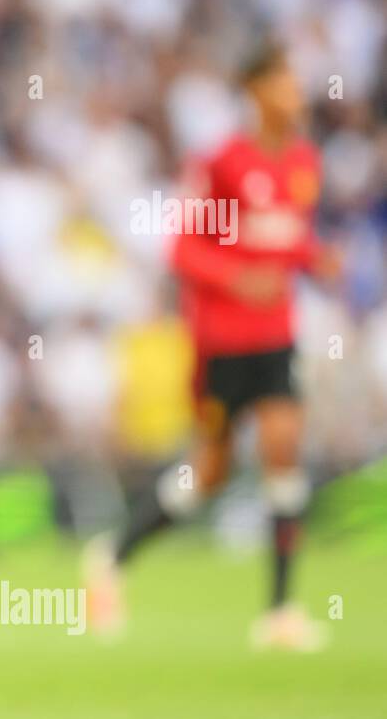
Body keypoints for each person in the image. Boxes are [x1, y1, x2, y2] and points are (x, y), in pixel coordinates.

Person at [86, 43, 339, 651]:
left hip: (276, 336)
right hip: (222, 342)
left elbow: (287, 237)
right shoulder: (224, 162)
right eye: (284, 82)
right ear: (255, 90)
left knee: (283, 447)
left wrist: (313, 258)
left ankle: (279, 612)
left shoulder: (303, 163)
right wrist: (236, 278)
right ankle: (111, 555)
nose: (296, 93)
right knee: (211, 473)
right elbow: (182, 250)